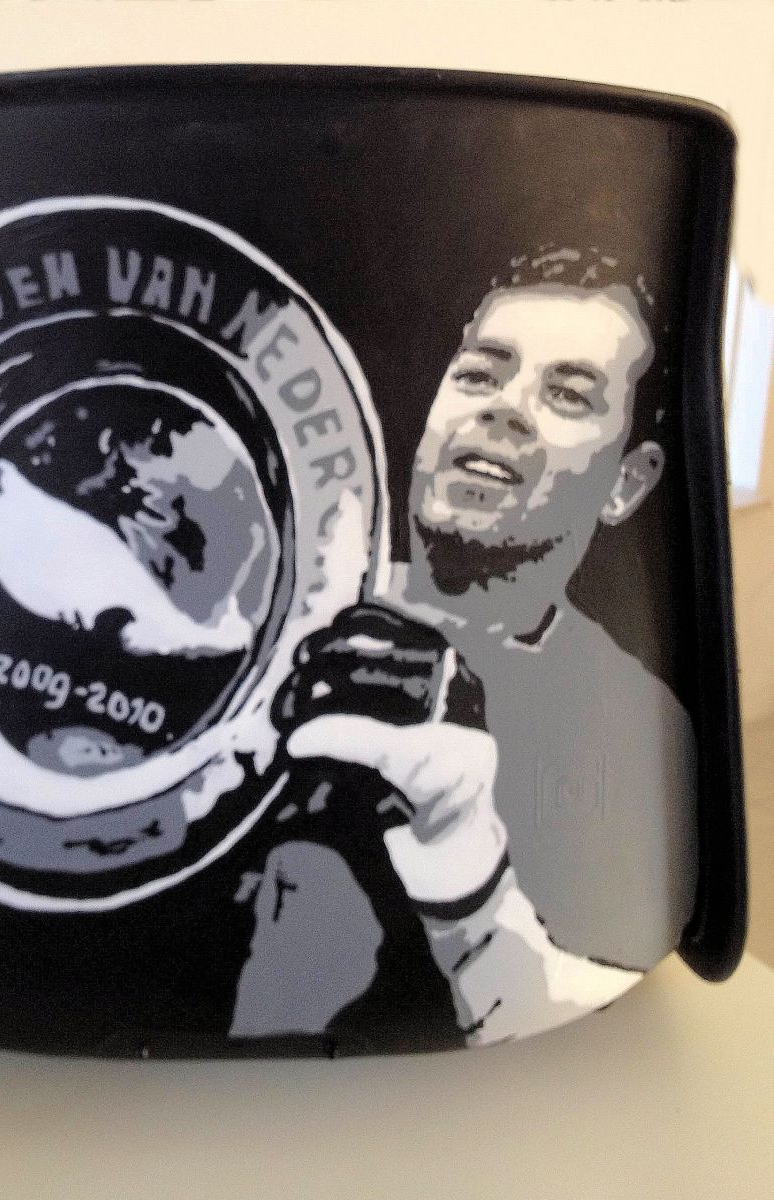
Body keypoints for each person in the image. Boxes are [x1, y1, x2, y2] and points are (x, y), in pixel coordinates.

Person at [230, 246, 698, 1046]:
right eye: (481, 374)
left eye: (567, 394)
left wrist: (463, 871)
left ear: (627, 482)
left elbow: (597, 1015)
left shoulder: (642, 731)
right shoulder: (271, 601)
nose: (505, 409)